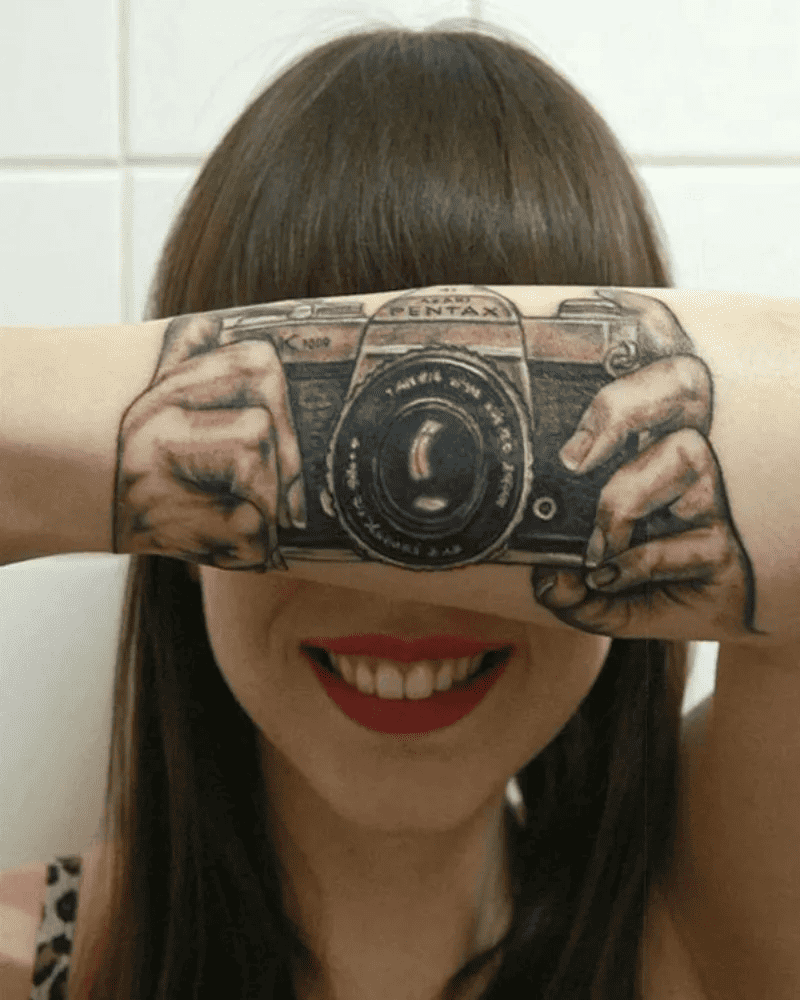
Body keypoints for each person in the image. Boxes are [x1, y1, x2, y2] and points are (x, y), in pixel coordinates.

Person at [1, 23, 799, 1000]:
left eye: (481, 447)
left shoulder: (711, 938)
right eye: (331, 429)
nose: (422, 562)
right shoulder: (25, 959)